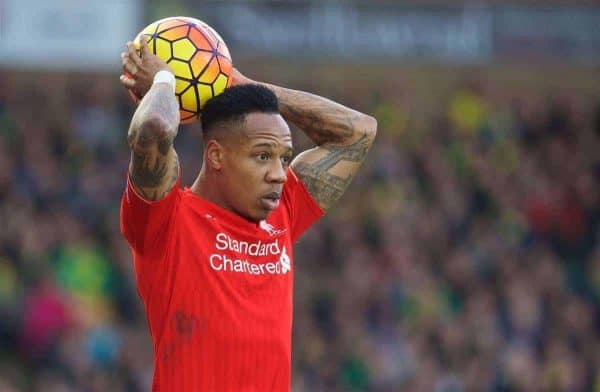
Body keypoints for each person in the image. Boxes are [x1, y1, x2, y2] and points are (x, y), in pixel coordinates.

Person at [118, 37, 377, 391]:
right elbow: (154, 131)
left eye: (285, 158)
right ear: (216, 157)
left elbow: (359, 133)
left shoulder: (281, 211)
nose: (279, 173)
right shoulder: (165, 222)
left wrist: (238, 83)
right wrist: (164, 81)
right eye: (262, 156)